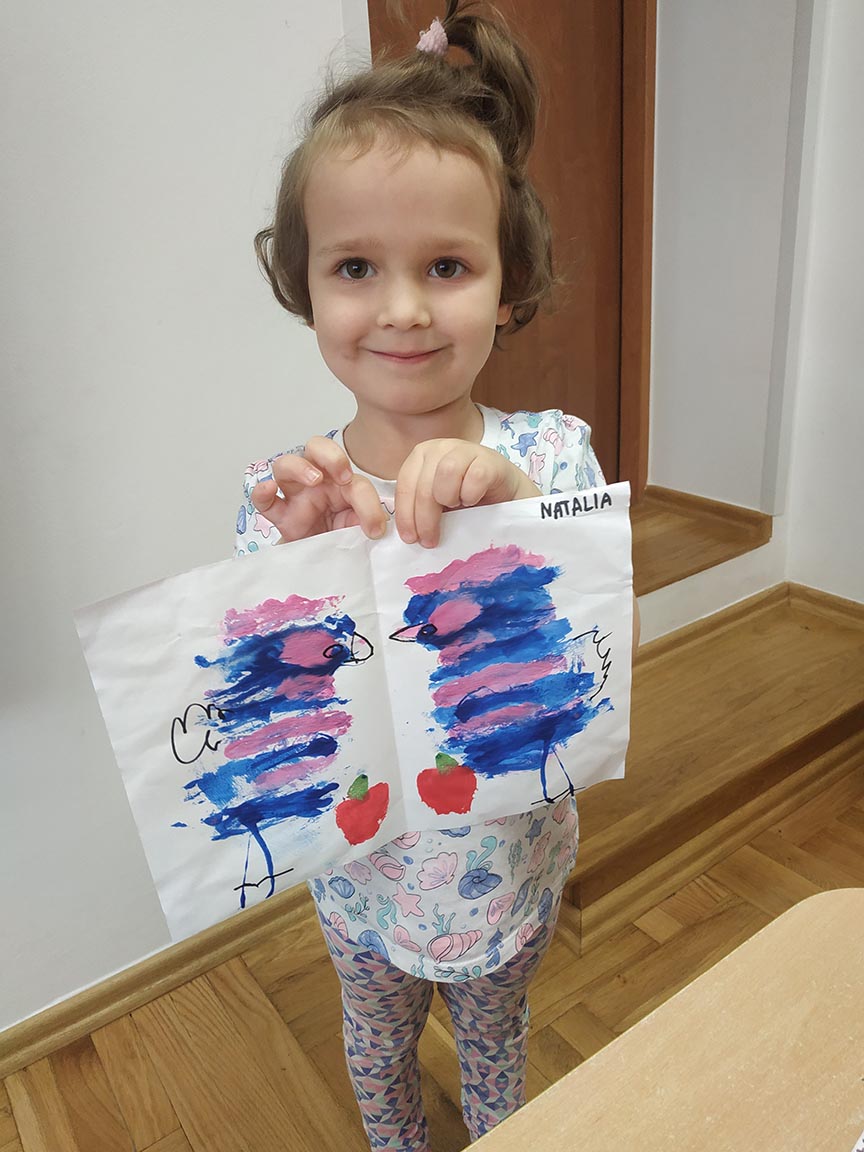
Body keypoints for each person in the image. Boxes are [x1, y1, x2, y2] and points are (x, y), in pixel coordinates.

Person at [235, 4, 638, 1148]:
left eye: (448, 265)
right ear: (306, 287)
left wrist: (515, 519)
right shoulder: (281, 493)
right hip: (361, 877)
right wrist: (299, 561)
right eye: (357, 266)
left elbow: (603, 665)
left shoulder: (554, 458)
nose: (405, 308)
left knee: (499, 1037)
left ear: (510, 285)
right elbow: (274, 719)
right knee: (375, 1041)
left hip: (508, 869)